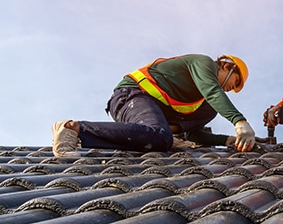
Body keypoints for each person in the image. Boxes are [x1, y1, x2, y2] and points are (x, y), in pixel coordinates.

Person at [51, 54, 256, 157]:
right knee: (160, 135)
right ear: (227, 66)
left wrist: (228, 140)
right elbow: (213, 90)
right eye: (235, 82)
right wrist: (239, 121)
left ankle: (161, 135)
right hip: (131, 95)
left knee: (162, 139)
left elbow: (192, 135)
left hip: (147, 116)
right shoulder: (204, 64)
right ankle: (74, 129)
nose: (232, 88)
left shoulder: (207, 106)